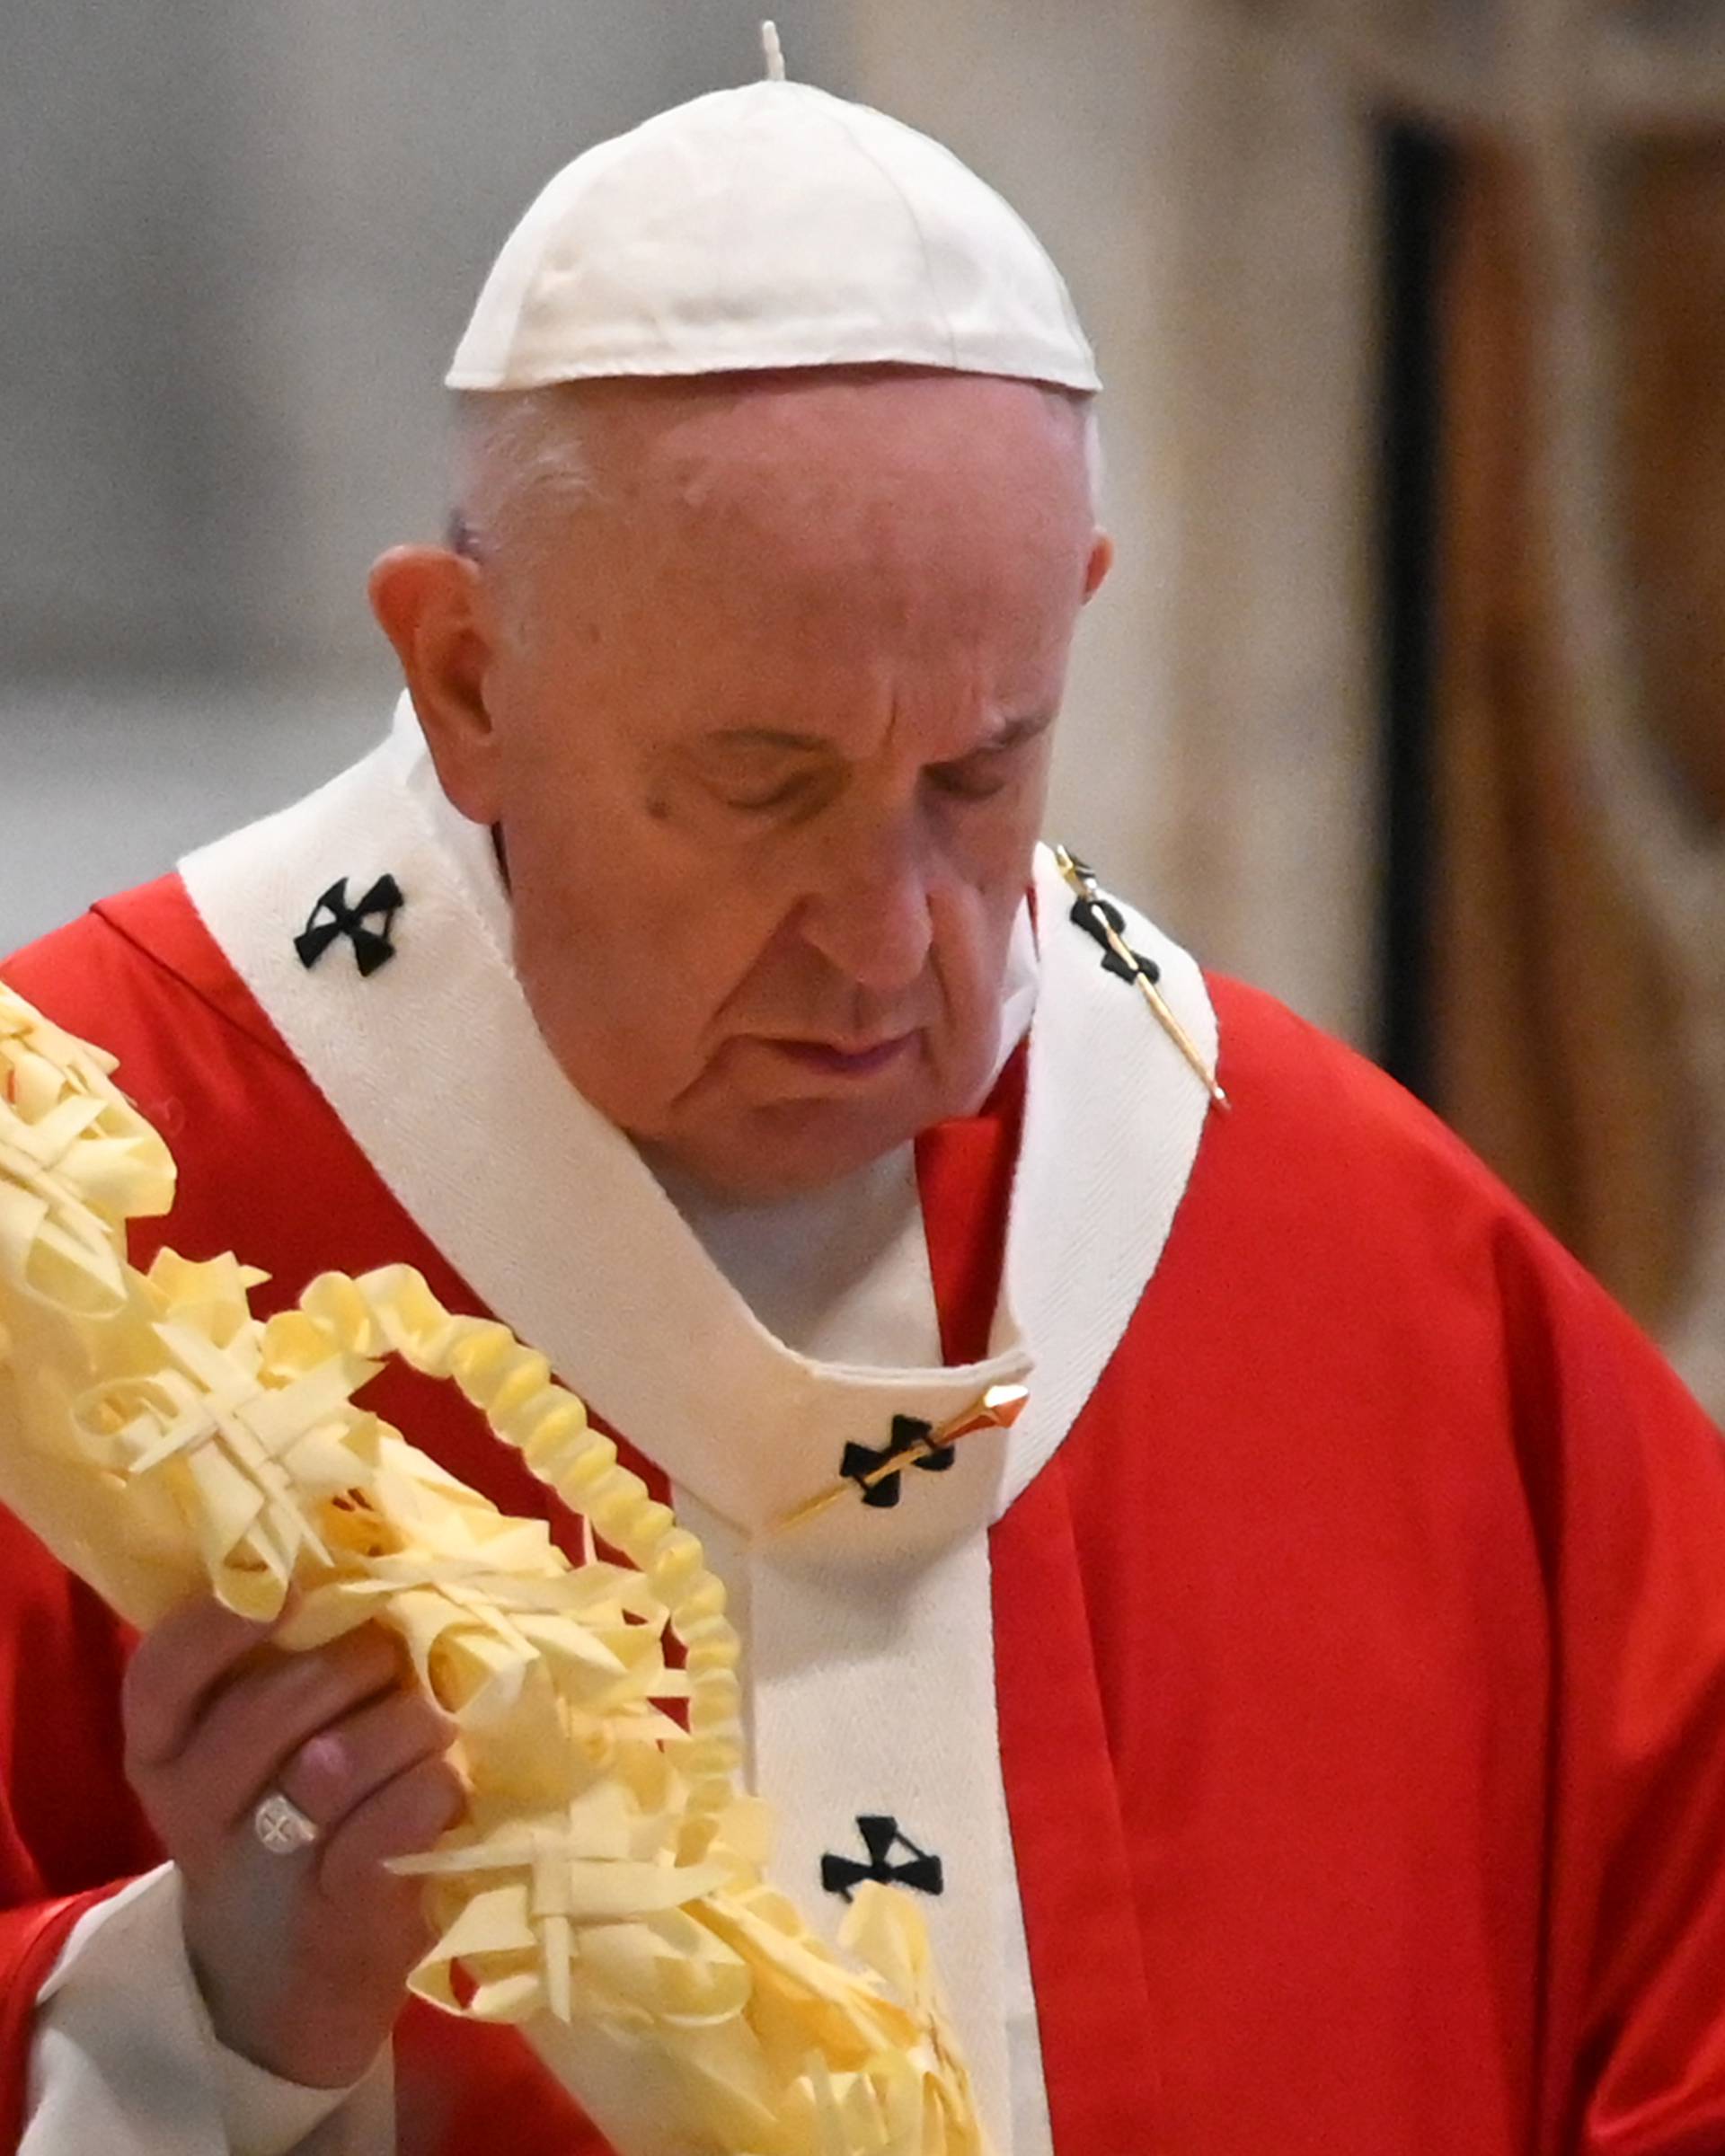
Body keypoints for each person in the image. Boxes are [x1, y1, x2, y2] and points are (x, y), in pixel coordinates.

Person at [4, 43, 1725, 2156]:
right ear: (469, 681)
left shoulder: (1349, 1255)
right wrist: (212, 2017)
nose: (899, 940)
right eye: (767, 786)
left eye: (980, 772)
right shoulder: (90, 1207)